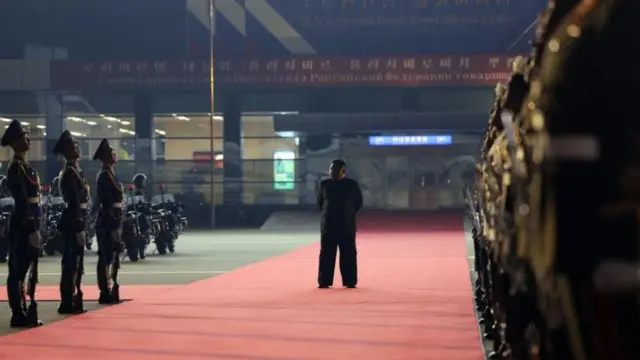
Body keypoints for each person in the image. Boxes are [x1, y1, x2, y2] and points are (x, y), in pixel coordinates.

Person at [1, 119, 43, 327]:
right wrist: (32, 228)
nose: (28, 140)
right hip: (22, 225)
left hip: (31, 221)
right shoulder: (16, 169)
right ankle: (17, 312)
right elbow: (23, 201)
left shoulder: (27, 167)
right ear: (15, 143)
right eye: (23, 137)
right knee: (17, 270)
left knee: (27, 268)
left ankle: (24, 308)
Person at [54, 130, 89, 314]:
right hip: (72, 222)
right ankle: (67, 301)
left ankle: (73, 298)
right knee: (70, 263)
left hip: (78, 220)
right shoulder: (69, 173)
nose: (77, 147)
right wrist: (79, 227)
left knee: (76, 263)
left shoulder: (75, 171)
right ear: (67, 151)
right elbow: (74, 201)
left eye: (77, 144)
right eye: (74, 145)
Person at [316, 159, 363, 289]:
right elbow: (320, 203)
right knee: (326, 254)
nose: (333, 172)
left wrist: (348, 213)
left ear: (344, 171)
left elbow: (358, 203)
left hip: (346, 225)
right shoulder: (324, 184)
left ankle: (349, 281)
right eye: (331, 170)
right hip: (328, 224)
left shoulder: (352, 185)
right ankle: (324, 281)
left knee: (348, 253)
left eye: (336, 170)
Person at [93, 138, 124, 304]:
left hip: (114, 219)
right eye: (111, 152)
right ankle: (105, 291)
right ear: (105, 156)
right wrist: (113, 225)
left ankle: (111, 288)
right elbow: (106, 203)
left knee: (112, 256)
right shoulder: (104, 176)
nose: (114, 154)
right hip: (107, 221)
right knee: (105, 257)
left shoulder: (111, 174)